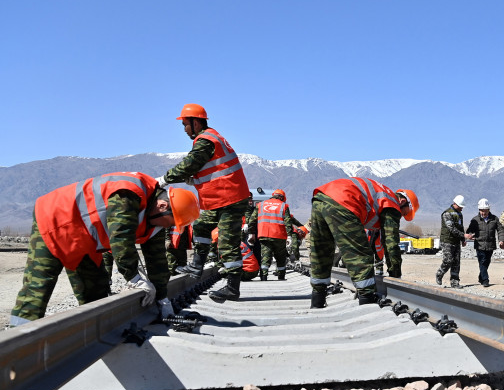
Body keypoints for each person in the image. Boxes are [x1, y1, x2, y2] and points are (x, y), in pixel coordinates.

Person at [9, 175, 199, 326]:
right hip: (53, 222)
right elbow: (121, 241)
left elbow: (157, 260)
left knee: (96, 291)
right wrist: (135, 279)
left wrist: (162, 298)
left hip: (85, 239)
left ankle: (93, 336)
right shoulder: (128, 194)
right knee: (38, 289)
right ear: (162, 206)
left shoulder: (156, 219)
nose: (168, 228)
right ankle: (15, 344)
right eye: (170, 223)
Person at [157, 103, 252, 303]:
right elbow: (207, 168)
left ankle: (233, 288)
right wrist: (195, 178)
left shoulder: (205, 140)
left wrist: (164, 180)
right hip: (220, 198)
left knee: (227, 243)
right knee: (201, 225)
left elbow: (189, 164)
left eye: (185, 125)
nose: (184, 129)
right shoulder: (209, 139)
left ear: (196, 122)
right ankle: (198, 265)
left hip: (230, 198)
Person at [308, 178, 418, 308]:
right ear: (402, 201)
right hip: (345, 201)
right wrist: (395, 276)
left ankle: (317, 301)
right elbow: (391, 244)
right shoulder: (392, 203)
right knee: (360, 256)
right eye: (403, 213)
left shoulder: (381, 195)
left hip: (321, 197)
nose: (400, 217)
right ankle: (367, 302)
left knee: (321, 252)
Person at [247, 189, 295, 281]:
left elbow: (252, 220)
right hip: (279, 236)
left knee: (265, 256)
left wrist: (251, 233)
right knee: (280, 257)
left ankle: (263, 276)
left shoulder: (260, 205)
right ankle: (281, 276)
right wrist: (289, 236)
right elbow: (288, 222)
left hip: (264, 235)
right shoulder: (283, 206)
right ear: (282, 197)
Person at [465, 199, 502, 286]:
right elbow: (469, 230)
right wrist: (469, 235)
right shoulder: (475, 220)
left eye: (485, 211)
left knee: (486, 262)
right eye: (481, 211)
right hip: (479, 245)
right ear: (479, 210)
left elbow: (500, 230)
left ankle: (481, 277)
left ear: (489, 210)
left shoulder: (494, 219)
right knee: (482, 261)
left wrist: (501, 240)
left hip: (490, 245)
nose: (483, 213)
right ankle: (485, 280)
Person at [436, 195, 466, 288]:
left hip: (456, 241)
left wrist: (463, 239)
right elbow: (451, 229)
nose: (461, 208)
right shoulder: (447, 214)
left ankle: (454, 282)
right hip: (447, 241)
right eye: (460, 206)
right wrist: (464, 235)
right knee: (448, 260)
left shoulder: (460, 214)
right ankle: (439, 273)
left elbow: (461, 228)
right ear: (455, 204)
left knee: (456, 262)